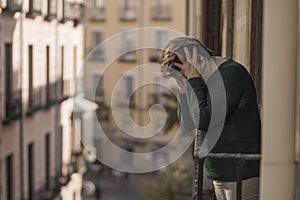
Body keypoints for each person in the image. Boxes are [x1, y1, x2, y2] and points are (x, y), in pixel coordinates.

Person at [160, 37, 261, 200]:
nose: (183, 79)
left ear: (197, 58)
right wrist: (184, 90)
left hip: (241, 172)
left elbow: (204, 119)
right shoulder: (200, 80)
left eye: (182, 74)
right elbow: (187, 124)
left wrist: (193, 79)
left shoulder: (230, 73)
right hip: (220, 171)